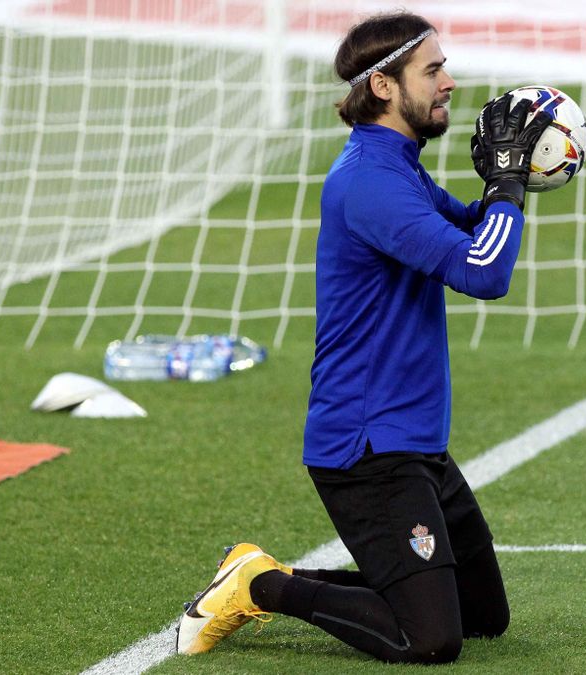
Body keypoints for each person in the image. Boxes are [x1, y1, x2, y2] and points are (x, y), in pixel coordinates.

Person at [176, 11, 551, 664]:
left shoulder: (396, 166)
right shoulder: (370, 184)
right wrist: (507, 187)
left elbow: (472, 227)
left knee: (481, 614)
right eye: (433, 70)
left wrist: (508, 185)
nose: (450, 83)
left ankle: (291, 578)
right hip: (367, 448)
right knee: (431, 637)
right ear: (383, 85)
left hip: (414, 443)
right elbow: (482, 269)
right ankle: (257, 583)